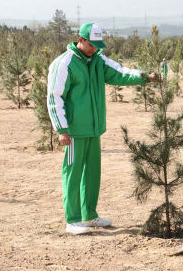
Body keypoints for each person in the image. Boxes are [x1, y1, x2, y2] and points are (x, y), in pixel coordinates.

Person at [47, 23, 157, 235]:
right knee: (72, 174)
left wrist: (145, 77)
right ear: (80, 39)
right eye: (91, 45)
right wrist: (61, 129)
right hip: (74, 131)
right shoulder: (64, 63)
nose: (95, 49)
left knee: (92, 174)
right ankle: (73, 220)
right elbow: (55, 97)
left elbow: (121, 73)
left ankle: (89, 216)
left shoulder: (98, 60)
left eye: (98, 46)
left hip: (94, 129)